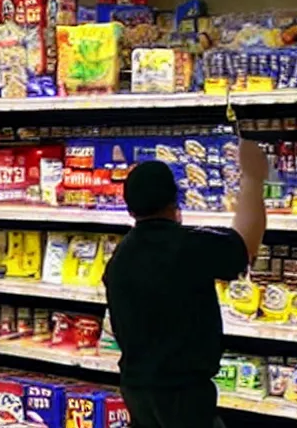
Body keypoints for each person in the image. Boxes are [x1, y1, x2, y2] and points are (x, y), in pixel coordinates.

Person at [103, 139, 268, 428]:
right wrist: (253, 179)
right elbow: (246, 246)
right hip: (183, 393)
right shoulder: (188, 246)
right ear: (174, 201)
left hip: (136, 389)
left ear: (129, 209)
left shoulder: (121, 256)